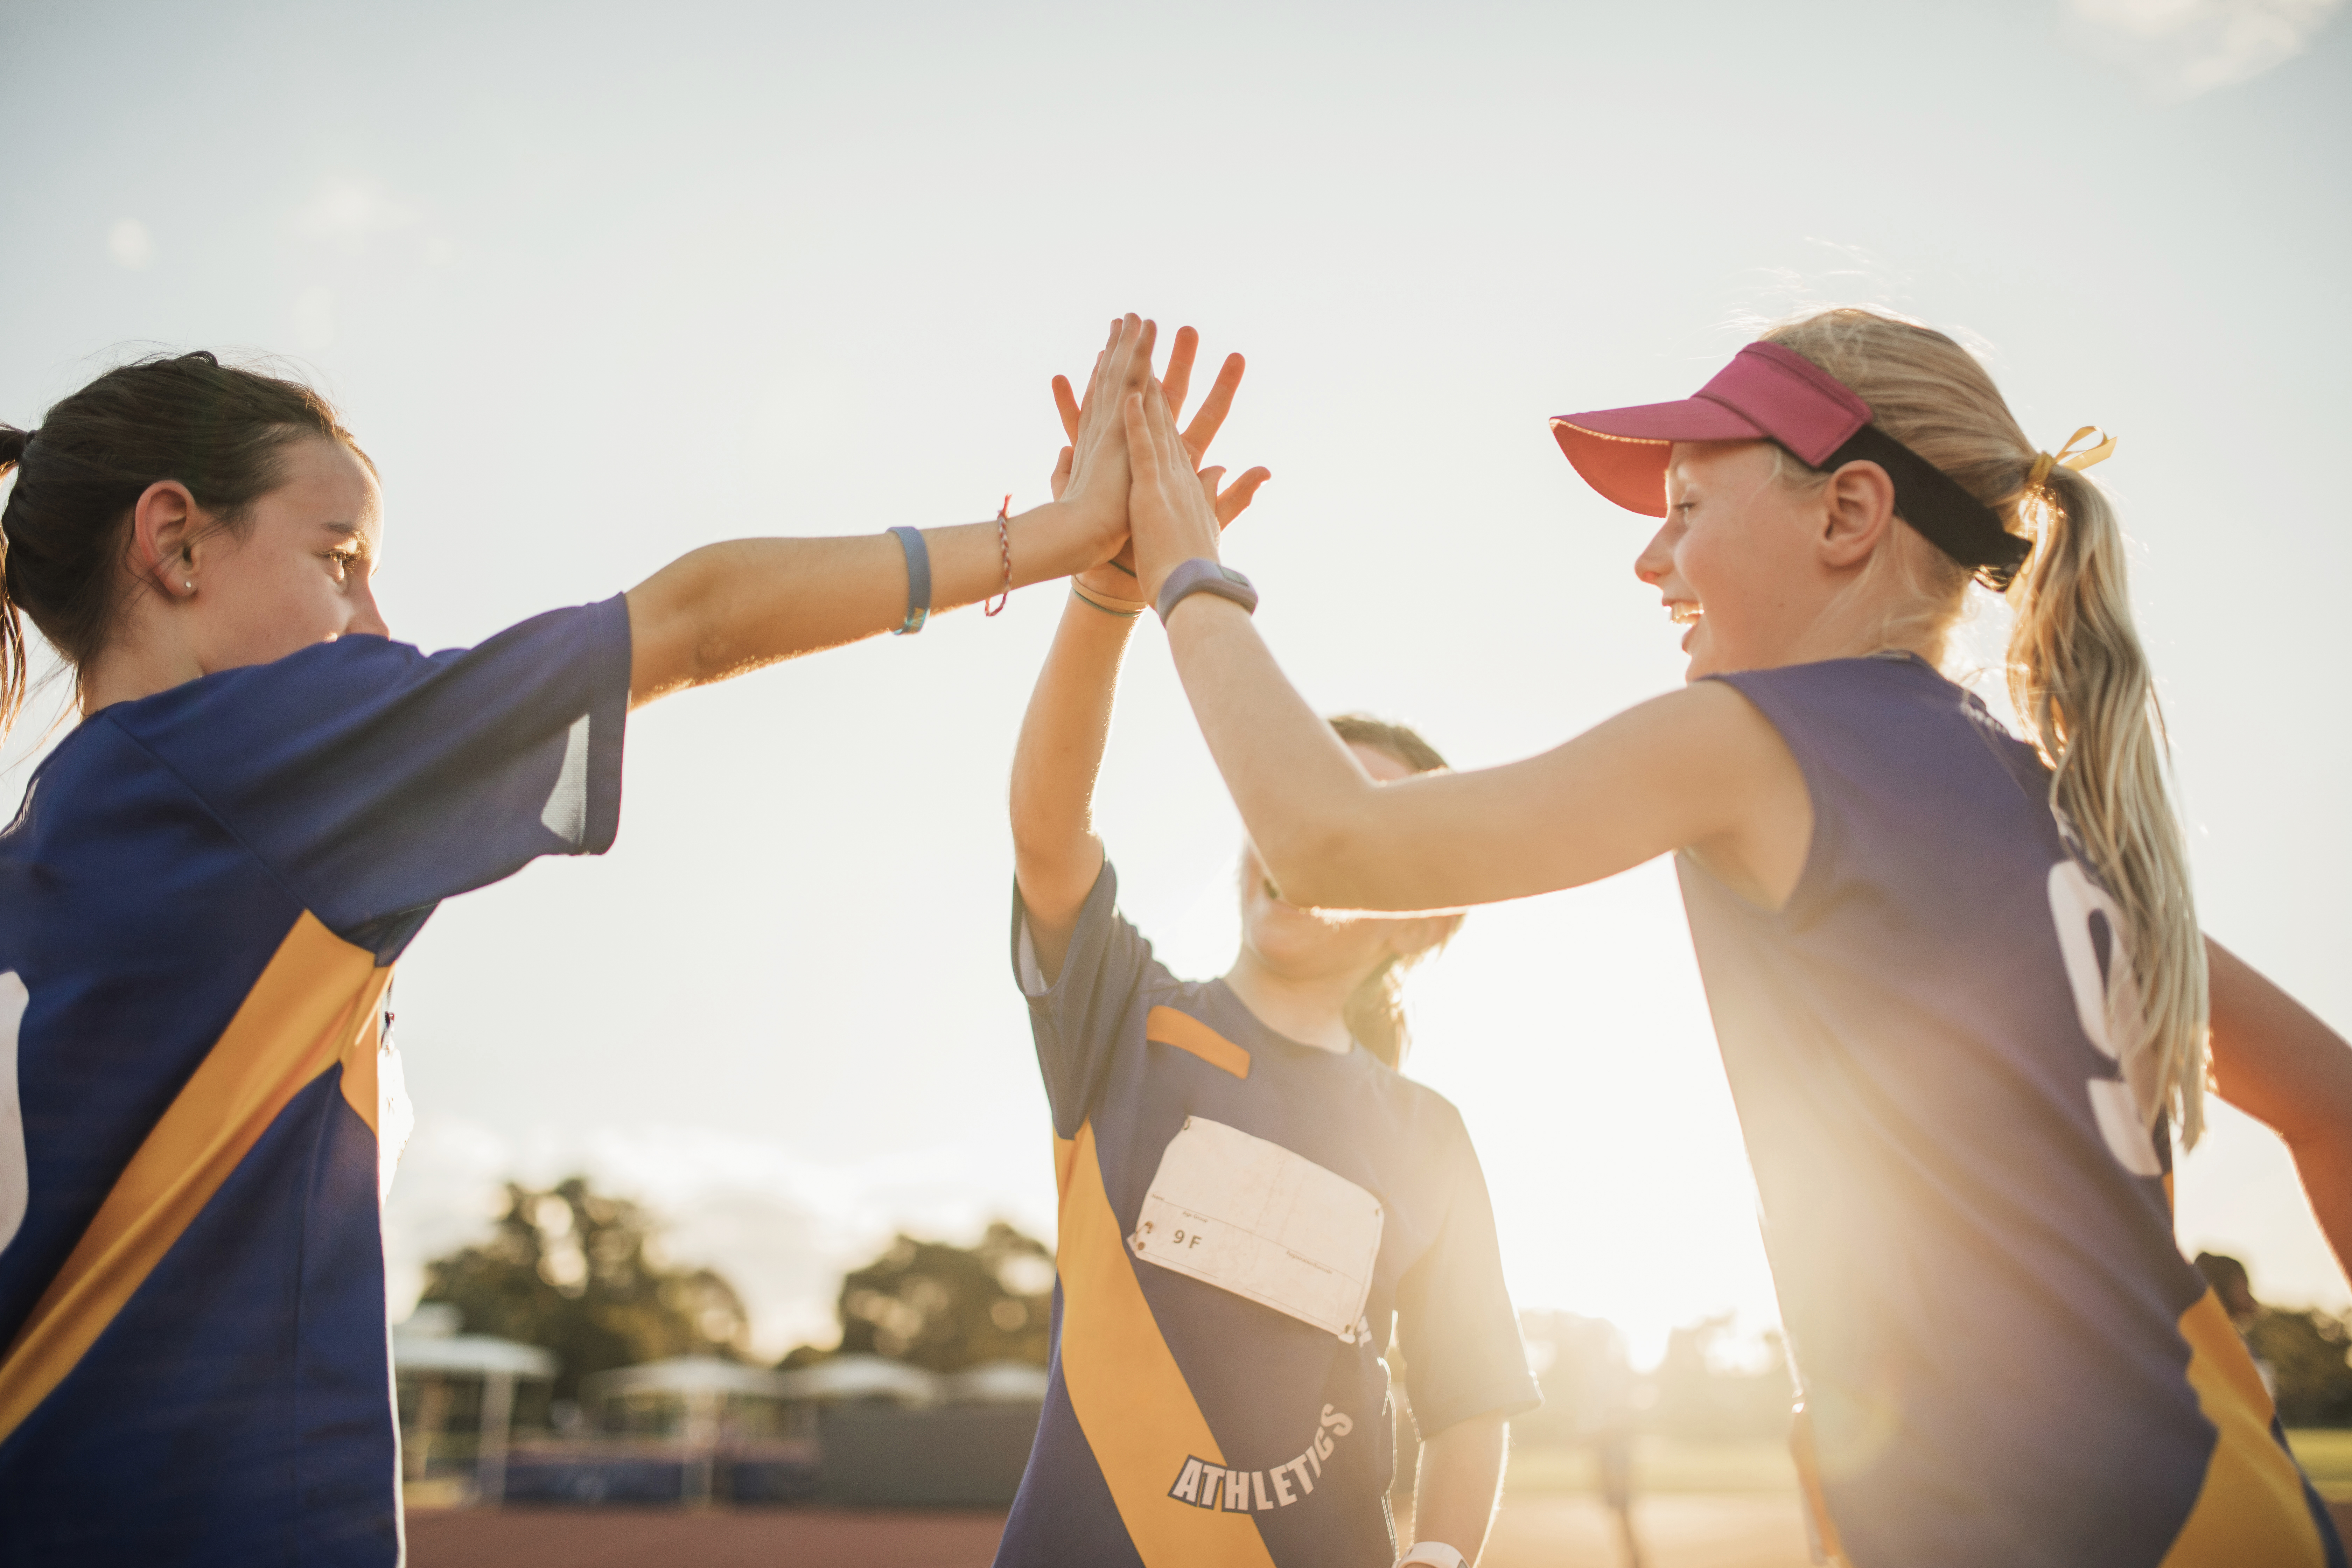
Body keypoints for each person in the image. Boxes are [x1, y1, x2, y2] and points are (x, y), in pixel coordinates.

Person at [1114, 308, 2352, 1566]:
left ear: (1847, 515)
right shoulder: (2054, 808)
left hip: (2068, 1522)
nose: (1652, 560)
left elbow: (1330, 847)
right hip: (2225, 1487)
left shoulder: (1755, 739)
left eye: (1688, 510)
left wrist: (1184, 568)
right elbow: (2331, 1103)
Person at [0, 319, 1162, 1562]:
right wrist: (1062, 539)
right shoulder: (260, 759)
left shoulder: (45, 850)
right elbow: (698, 617)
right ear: (175, 540)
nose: (378, 621)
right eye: (340, 558)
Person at [996, 331, 1538, 1568]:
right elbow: (1047, 826)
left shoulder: (1429, 1136)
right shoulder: (1123, 1013)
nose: (1308, 845)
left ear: (1426, 918)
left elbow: (1470, 1411)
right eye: (1300, 805)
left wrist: (1444, 1561)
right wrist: (1107, 593)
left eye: (1360, 824)